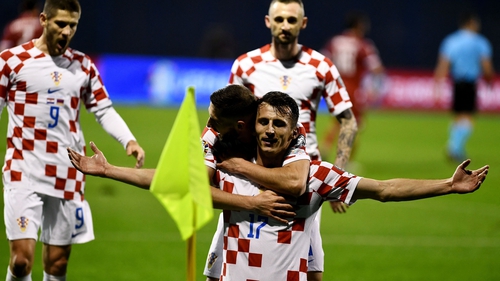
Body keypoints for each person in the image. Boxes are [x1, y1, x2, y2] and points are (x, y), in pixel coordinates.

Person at [67, 91, 489, 281]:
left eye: (279, 125)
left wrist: (446, 186)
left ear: (293, 133)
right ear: (252, 125)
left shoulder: (316, 175)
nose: (269, 130)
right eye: (264, 122)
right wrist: (108, 171)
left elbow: (383, 189)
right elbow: (173, 182)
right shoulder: (230, 163)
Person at [0, 0, 145, 280]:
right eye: (60, 24)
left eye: (73, 25)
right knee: (21, 262)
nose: (67, 31)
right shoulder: (11, 62)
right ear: (43, 20)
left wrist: (129, 140)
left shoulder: (83, 66)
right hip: (23, 170)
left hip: (68, 172)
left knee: (57, 265)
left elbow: (103, 109)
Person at [228, 1, 358, 278]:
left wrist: (339, 173)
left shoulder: (321, 66)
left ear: (303, 23)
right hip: (256, 172)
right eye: (279, 19)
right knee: (241, 250)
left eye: (291, 19)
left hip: (304, 174)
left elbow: (348, 119)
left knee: (309, 262)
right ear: (268, 21)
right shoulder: (246, 65)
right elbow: (230, 118)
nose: (285, 25)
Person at [320, 11, 384, 162]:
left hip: (335, 86)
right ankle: (346, 159)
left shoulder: (335, 41)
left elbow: (322, 61)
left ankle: (326, 145)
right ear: (359, 26)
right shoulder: (363, 44)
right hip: (353, 89)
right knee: (354, 124)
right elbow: (376, 68)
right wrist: (375, 88)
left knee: (339, 120)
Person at [434, 11, 495, 163]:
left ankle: (456, 148)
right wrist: (489, 81)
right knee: (468, 118)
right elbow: (486, 65)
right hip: (470, 83)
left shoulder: (451, 40)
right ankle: (454, 147)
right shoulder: (480, 42)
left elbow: (444, 64)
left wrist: (438, 84)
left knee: (458, 117)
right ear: (471, 23)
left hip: (456, 83)